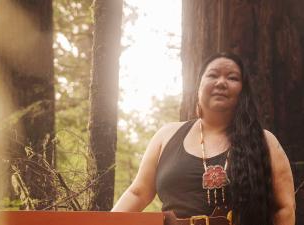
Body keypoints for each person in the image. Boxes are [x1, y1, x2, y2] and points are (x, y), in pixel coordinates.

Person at [111, 52, 295, 225]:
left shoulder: (265, 141)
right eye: (213, 75)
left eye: (232, 77)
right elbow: (138, 193)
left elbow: (284, 208)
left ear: (243, 91)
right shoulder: (166, 136)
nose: (221, 82)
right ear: (198, 86)